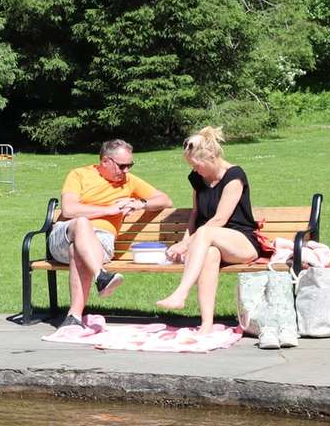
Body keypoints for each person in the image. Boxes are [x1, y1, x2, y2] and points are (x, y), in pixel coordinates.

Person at [156, 127, 274, 334]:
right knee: (209, 253)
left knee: (205, 232)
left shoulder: (234, 176)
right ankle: (206, 324)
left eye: (197, 165)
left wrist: (186, 244)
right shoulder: (197, 179)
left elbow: (219, 219)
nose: (195, 169)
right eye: (191, 165)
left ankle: (181, 293)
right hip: (209, 242)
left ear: (211, 157)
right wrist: (186, 240)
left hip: (241, 241)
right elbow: (195, 214)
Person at [50, 140, 172, 327]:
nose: (126, 171)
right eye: (122, 166)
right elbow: (69, 209)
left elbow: (165, 200)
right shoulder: (79, 175)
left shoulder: (129, 181)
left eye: (130, 165)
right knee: (82, 223)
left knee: (79, 250)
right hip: (65, 235)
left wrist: (141, 204)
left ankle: (73, 316)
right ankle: (101, 275)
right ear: (106, 161)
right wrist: (109, 210)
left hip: (100, 242)